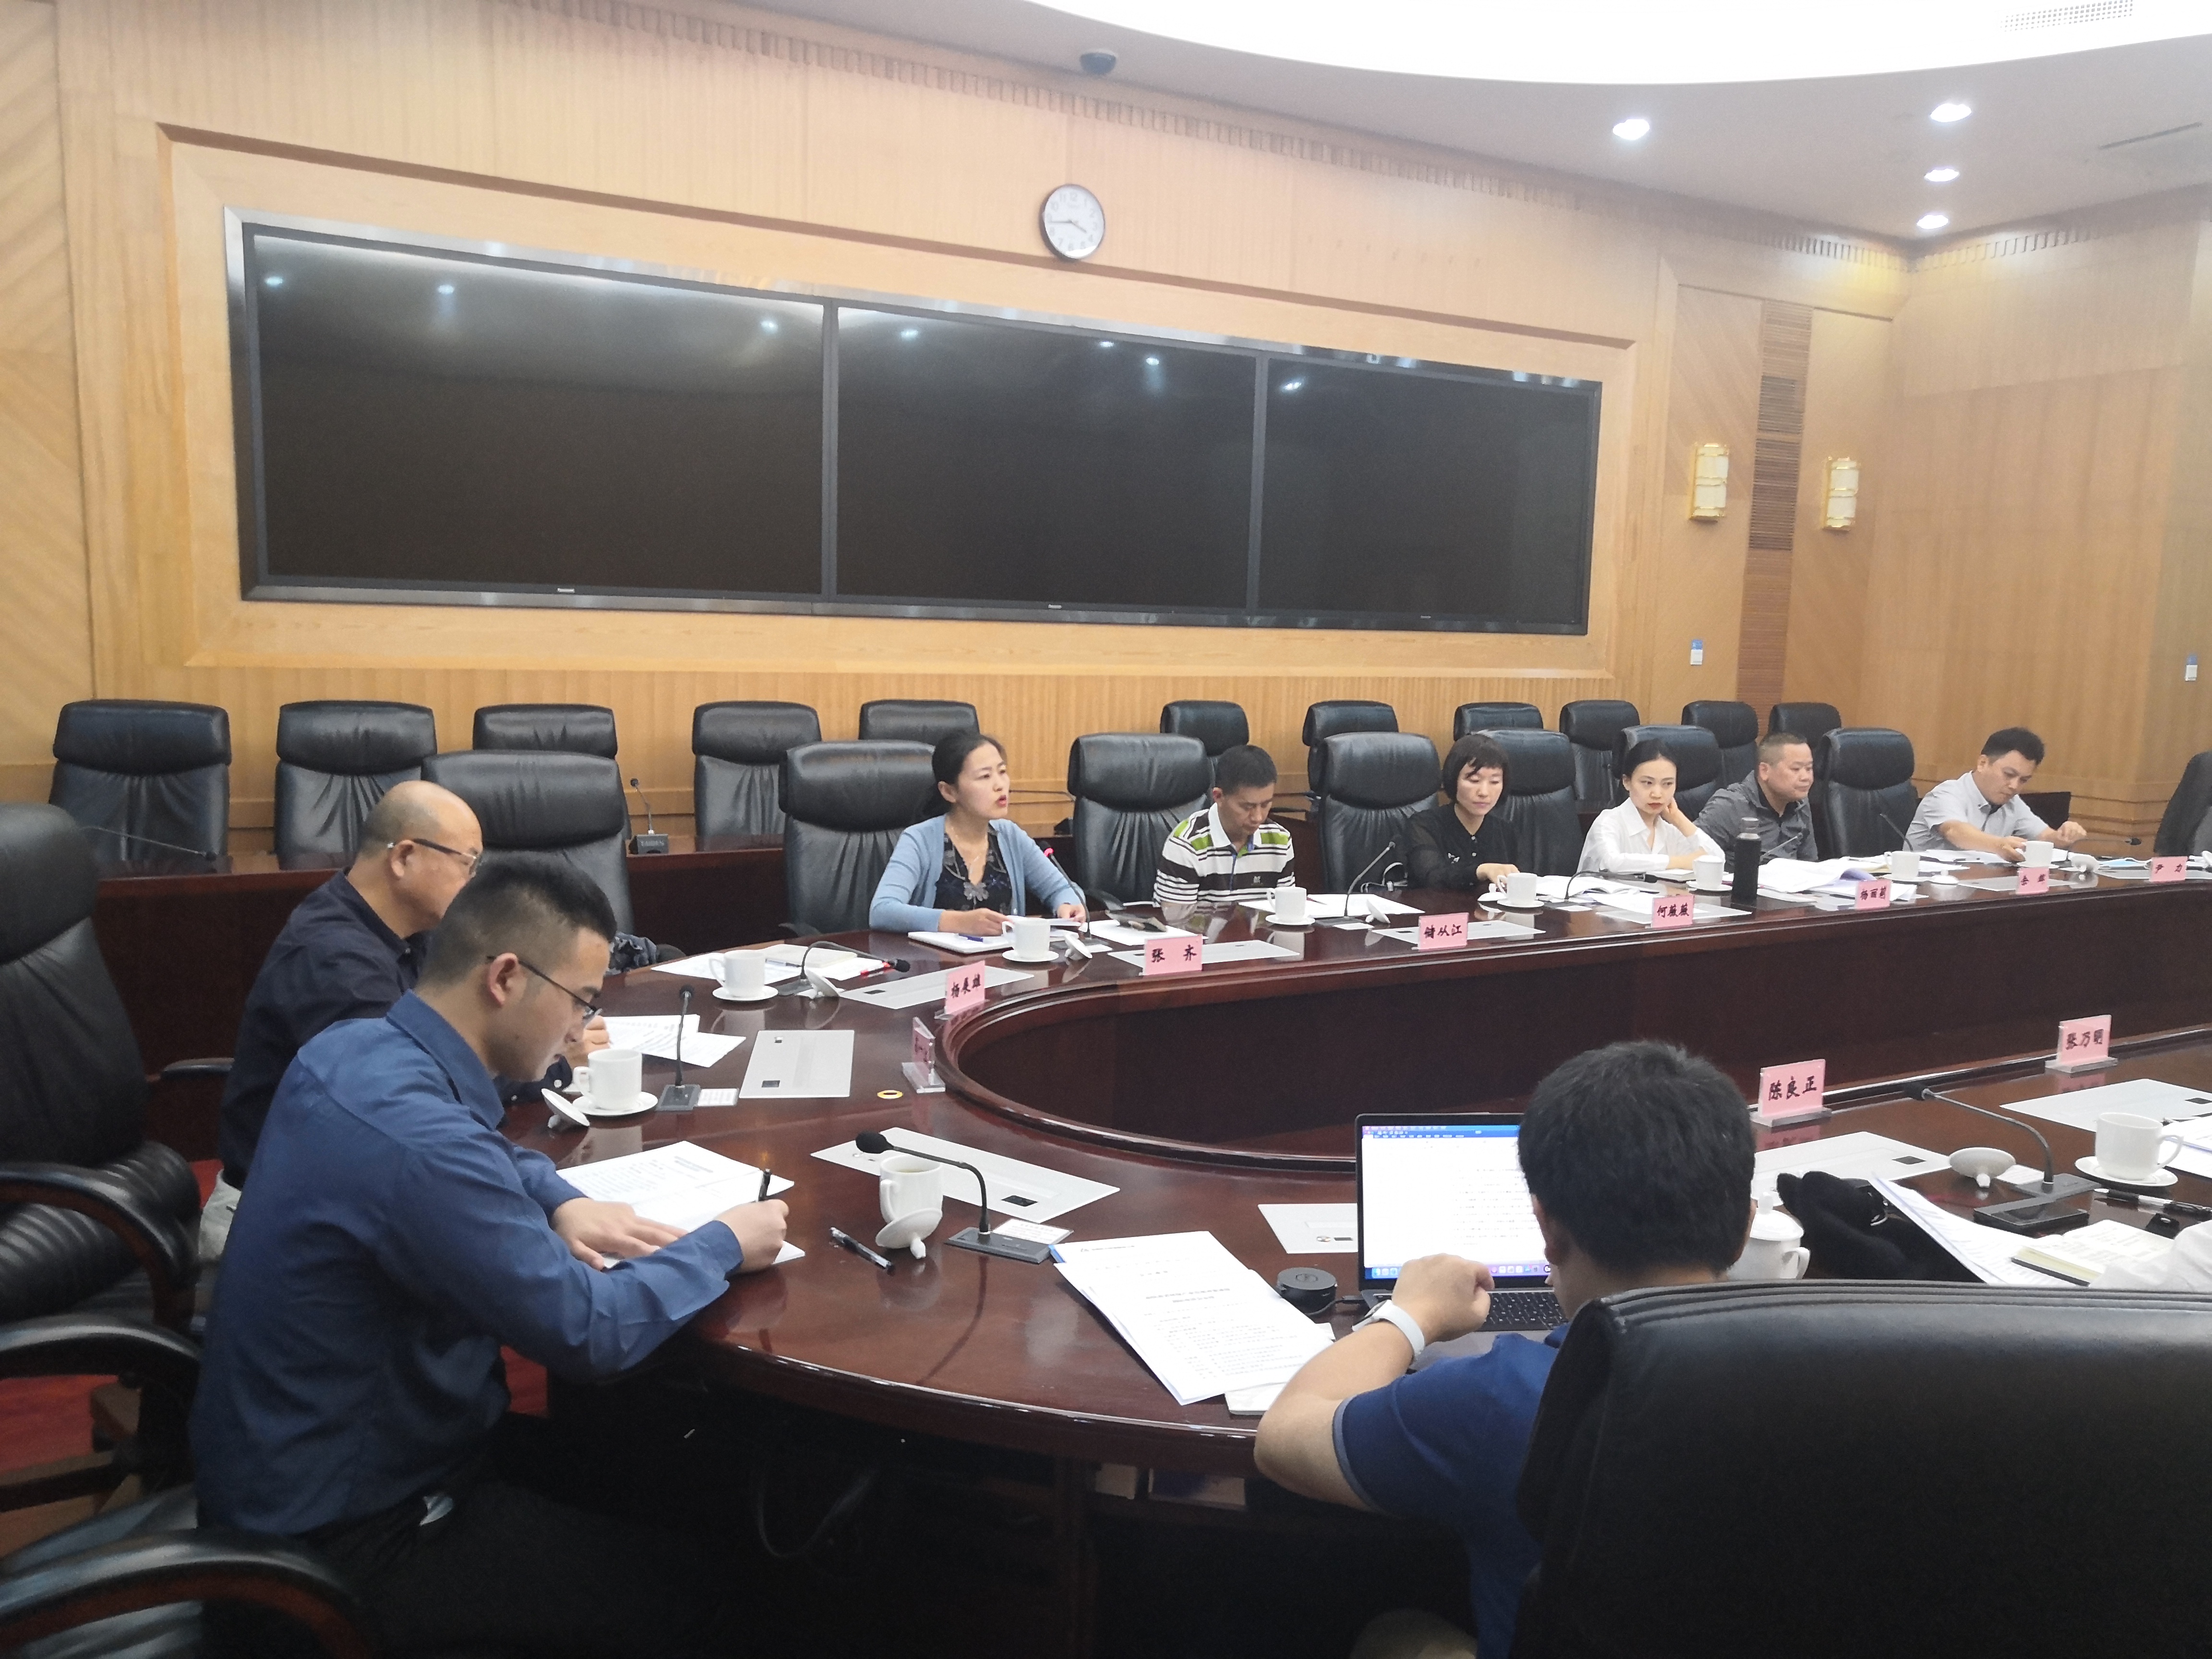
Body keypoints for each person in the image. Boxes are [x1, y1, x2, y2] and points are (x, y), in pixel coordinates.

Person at [191, 856, 789, 1658]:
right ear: (506, 977)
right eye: (580, 1000)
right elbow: (590, 1331)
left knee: (686, 1475)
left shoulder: (355, 1049)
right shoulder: (422, 1147)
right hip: (340, 1550)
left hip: (310, 1475)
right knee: (713, 1590)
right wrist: (724, 1241)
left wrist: (556, 1196)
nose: (580, 1029)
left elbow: (474, 1150)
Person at [1253, 1041, 1755, 1659]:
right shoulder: (1839, 1376)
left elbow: (1284, 1436)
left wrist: (1411, 1316)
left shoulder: (1506, 1397)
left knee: (1395, 1634)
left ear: (1547, 1229)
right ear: (1745, 1226)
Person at [201, 780, 605, 1259]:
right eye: (468, 863)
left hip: (351, 1187)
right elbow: (432, 1093)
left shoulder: (410, 934)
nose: (474, 882)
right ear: (405, 858)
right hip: (274, 1223)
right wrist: (558, 1064)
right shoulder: (334, 960)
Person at [871, 731, 1086, 933]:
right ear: (949, 791)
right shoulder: (919, 839)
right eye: (985, 777)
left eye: (1002, 772)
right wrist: (958, 922)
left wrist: (1067, 905)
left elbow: (1062, 889)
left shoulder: (1011, 836)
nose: (1000, 785)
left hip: (1005, 959)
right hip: (935, 960)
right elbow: (882, 910)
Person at [1906, 727, 2088, 858]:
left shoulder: (2012, 802)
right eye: (2009, 775)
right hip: (1925, 889)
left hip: (1978, 886)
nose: (2015, 786)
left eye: (2024, 780)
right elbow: (1956, 831)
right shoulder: (1946, 794)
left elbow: (2045, 836)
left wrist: (2064, 836)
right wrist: (2000, 845)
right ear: (1983, 764)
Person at [1154, 742, 1297, 906]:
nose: (1258, 817)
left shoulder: (1280, 841)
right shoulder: (1187, 845)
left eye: (1265, 805)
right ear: (1218, 797)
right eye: (1247, 807)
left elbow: (1286, 912)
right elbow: (1175, 919)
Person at [1579, 738, 1724, 876]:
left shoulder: (1669, 830)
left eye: (1668, 784)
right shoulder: (1608, 822)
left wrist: (1679, 819)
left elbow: (1716, 860)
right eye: (1648, 783)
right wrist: (1679, 862)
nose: (1657, 794)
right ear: (1627, 782)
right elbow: (1613, 863)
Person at [1401, 733, 1520, 893]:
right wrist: (1480, 871)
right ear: (1454, 779)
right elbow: (1432, 877)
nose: (1484, 792)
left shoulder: (1506, 831)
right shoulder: (1424, 825)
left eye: (1494, 782)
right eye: (1474, 780)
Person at [1695, 730, 1819, 862]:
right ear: (1765, 771)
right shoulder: (1730, 806)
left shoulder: (1800, 802)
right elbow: (1690, 857)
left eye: (1809, 769)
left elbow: (1810, 864)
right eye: (1796, 769)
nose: (1806, 778)